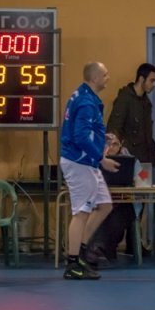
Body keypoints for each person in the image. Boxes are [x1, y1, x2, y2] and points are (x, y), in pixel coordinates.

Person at [60, 62, 119, 280]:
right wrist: (101, 159)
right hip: (79, 162)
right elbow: (80, 136)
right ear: (94, 78)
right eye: (105, 74)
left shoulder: (85, 97)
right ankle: (72, 263)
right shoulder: (85, 102)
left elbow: (86, 131)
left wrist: (103, 139)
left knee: (104, 206)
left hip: (87, 162)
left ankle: (82, 251)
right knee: (81, 212)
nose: (108, 77)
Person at [103, 63, 155, 258]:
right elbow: (114, 128)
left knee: (141, 201)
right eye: (152, 80)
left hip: (144, 161)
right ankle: (111, 244)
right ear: (141, 79)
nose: (154, 85)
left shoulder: (146, 102)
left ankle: (134, 243)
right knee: (123, 201)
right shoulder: (125, 99)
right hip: (127, 161)